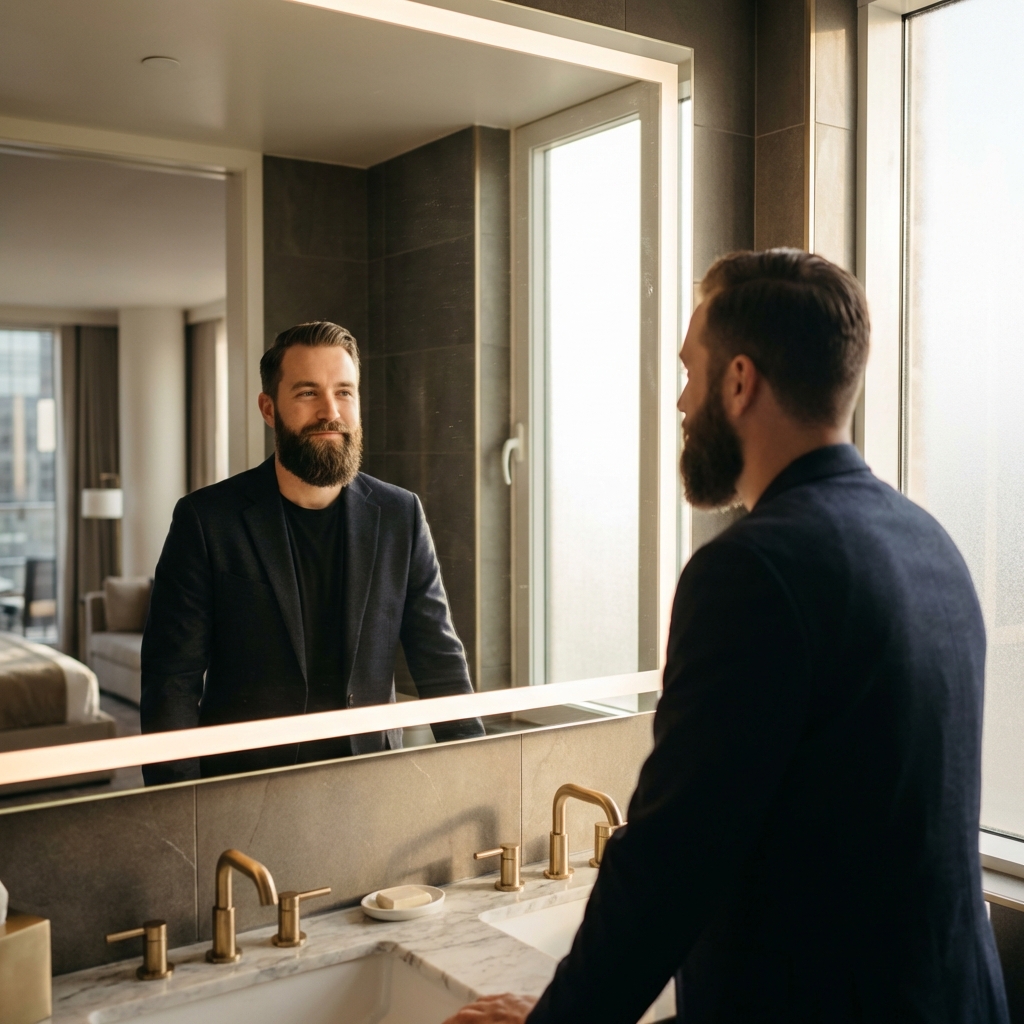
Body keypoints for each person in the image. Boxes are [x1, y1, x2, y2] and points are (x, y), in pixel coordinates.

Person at [445, 250, 1008, 1024]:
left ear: (739, 381)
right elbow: (830, 867)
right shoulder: (931, 544)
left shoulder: (752, 570)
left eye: (690, 370)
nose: (680, 399)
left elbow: (673, 862)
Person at [140, 321, 482, 784]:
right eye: (307, 393)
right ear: (269, 408)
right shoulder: (206, 521)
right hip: (246, 787)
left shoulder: (400, 514)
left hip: (370, 784)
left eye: (344, 392)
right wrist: (179, 808)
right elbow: (172, 682)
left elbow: (439, 659)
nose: (330, 411)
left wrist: (483, 776)